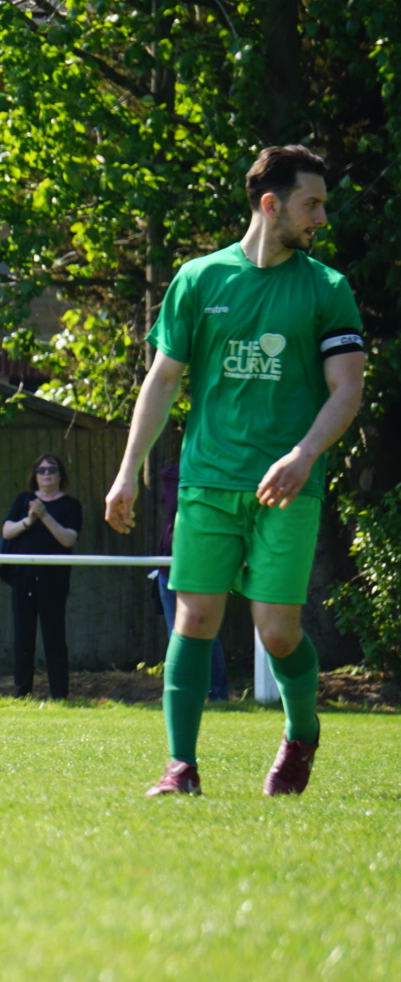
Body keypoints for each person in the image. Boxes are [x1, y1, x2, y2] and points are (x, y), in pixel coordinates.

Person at [105, 145, 365, 797]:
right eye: (312, 204)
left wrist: (304, 454)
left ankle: (301, 733)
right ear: (271, 204)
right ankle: (180, 767)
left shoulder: (327, 289)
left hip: (288, 488)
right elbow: (163, 379)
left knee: (277, 631)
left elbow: (347, 389)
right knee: (194, 618)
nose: (322, 218)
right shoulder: (199, 280)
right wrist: (128, 469)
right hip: (208, 480)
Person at [0, 454, 82, 699]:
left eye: (52, 470)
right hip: (23, 576)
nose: (47, 474)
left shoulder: (71, 505)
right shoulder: (23, 500)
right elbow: (7, 531)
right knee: (23, 636)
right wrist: (28, 520)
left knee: (54, 636)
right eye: (41, 470)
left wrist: (45, 516)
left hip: (53, 579)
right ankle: (22, 694)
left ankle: (59, 695)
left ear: (60, 475)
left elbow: (68, 539)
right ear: (34, 475)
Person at [155, 459, 229, 701]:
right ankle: (185, 695)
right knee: (176, 634)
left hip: (204, 560)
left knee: (206, 632)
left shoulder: (222, 472)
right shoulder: (173, 474)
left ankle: (217, 694)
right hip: (170, 563)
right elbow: (179, 503)